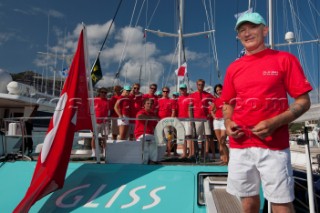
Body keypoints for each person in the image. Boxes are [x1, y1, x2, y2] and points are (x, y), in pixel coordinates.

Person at [221, 12, 312, 213]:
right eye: (241, 30)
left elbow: (304, 101)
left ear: (264, 30)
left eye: (252, 27)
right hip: (240, 145)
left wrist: (275, 122)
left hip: (274, 147)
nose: (247, 33)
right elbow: (227, 103)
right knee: (248, 204)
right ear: (238, 36)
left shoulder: (284, 60)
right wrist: (228, 122)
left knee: (282, 205)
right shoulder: (233, 68)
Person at [189, 79, 215, 160]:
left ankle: (205, 154)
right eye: (199, 84)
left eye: (202, 84)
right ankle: (193, 153)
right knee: (195, 136)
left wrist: (210, 111)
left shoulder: (208, 95)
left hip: (206, 119)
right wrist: (191, 119)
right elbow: (190, 108)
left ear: (204, 85)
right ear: (197, 85)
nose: (201, 86)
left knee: (206, 136)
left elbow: (215, 102)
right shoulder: (192, 95)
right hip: (196, 118)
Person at [134, 98, 159, 164]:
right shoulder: (141, 112)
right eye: (148, 103)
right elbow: (140, 117)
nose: (149, 105)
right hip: (141, 134)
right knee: (145, 145)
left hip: (150, 134)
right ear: (144, 105)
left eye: (151, 104)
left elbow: (156, 125)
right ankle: (144, 162)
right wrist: (152, 118)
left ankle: (153, 161)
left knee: (156, 141)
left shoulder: (153, 114)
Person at [210, 84, 229, 164]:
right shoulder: (216, 100)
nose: (219, 91)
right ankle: (223, 158)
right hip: (217, 121)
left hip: (224, 121)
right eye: (217, 90)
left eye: (220, 89)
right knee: (219, 141)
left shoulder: (227, 99)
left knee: (222, 140)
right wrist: (214, 117)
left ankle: (227, 159)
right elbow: (211, 110)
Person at [158, 86, 178, 157]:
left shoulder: (171, 100)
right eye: (164, 91)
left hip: (168, 122)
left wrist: (170, 121)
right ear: (162, 92)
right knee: (161, 137)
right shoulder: (158, 100)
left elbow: (173, 111)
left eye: (167, 91)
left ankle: (168, 152)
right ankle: (161, 152)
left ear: (169, 92)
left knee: (169, 138)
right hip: (160, 121)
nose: (165, 93)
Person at [91, 87, 110, 157]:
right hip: (96, 121)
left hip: (105, 122)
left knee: (104, 137)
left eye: (105, 92)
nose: (103, 94)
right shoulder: (94, 100)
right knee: (94, 137)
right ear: (99, 92)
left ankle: (105, 151)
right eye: (102, 92)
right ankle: (93, 152)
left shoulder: (107, 101)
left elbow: (109, 111)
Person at [177, 83, 194, 159]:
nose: (182, 90)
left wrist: (191, 120)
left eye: (183, 88)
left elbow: (190, 109)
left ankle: (190, 153)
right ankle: (184, 154)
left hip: (187, 119)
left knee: (189, 136)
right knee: (183, 136)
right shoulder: (179, 98)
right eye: (181, 89)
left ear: (186, 89)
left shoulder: (190, 97)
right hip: (180, 119)